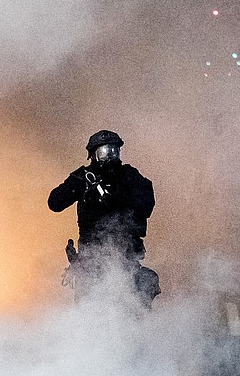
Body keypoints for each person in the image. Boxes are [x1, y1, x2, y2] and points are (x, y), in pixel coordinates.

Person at [48, 130, 159, 306]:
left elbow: (146, 206)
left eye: (114, 150)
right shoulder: (84, 177)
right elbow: (54, 203)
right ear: (93, 154)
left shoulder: (129, 176)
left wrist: (115, 199)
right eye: (105, 151)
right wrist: (77, 184)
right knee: (90, 308)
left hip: (126, 257)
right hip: (91, 258)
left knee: (134, 302)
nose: (111, 155)